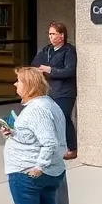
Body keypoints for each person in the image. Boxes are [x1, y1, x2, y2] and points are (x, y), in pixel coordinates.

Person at [1, 66, 71, 204]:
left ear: (30, 85)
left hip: (28, 173)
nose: (15, 85)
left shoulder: (36, 110)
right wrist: (12, 133)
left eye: (19, 81)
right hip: (51, 172)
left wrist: (38, 167)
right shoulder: (49, 105)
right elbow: (38, 136)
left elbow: (49, 142)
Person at [33, 22, 78, 159]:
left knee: (63, 118)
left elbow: (69, 71)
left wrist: (50, 70)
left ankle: (72, 148)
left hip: (65, 92)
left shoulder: (69, 51)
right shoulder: (47, 50)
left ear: (62, 35)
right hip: (50, 91)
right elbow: (35, 64)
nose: (51, 37)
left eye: (53, 34)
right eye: (49, 34)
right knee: (49, 120)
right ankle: (54, 147)